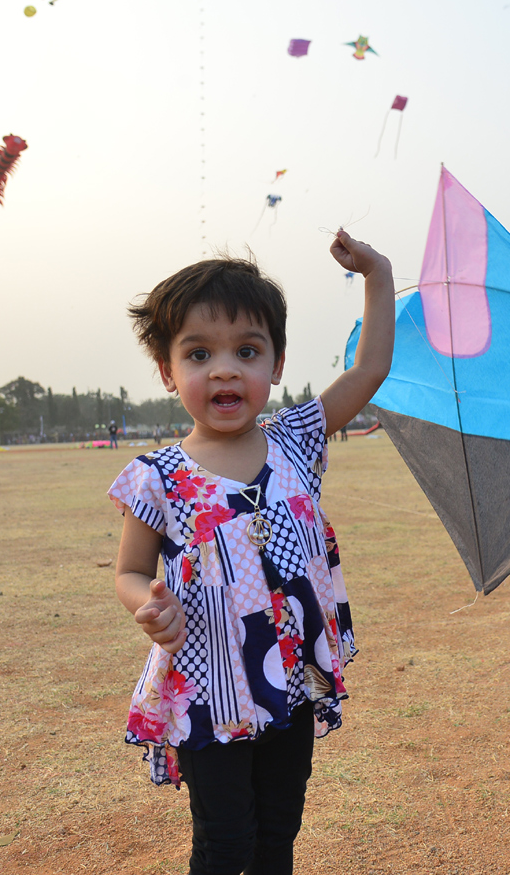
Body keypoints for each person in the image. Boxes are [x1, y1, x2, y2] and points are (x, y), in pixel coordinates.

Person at [108, 231, 393, 875]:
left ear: (277, 363)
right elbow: (130, 571)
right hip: (210, 689)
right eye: (199, 353)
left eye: (247, 350)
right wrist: (144, 606)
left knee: (278, 833)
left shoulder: (298, 441)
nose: (225, 369)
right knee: (224, 842)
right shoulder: (158, 476)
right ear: (167, 371)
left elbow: (371, 368)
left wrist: (377, 276)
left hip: (289, 684)